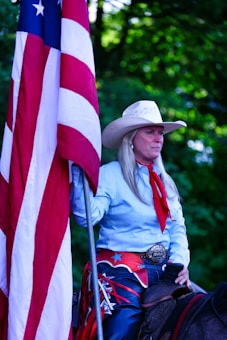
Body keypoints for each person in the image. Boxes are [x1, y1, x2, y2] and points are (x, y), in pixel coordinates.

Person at [71, 100, 190, 340]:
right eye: (150, 132)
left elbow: (177, 228)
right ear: (131, 138)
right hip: (120, 272)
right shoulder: (110, 174)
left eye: (160, 133)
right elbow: (87, 218)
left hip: (164, 271)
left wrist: (179, 264)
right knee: (124, 324)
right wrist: (77, 179)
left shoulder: (164, 180)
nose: (159, 138)